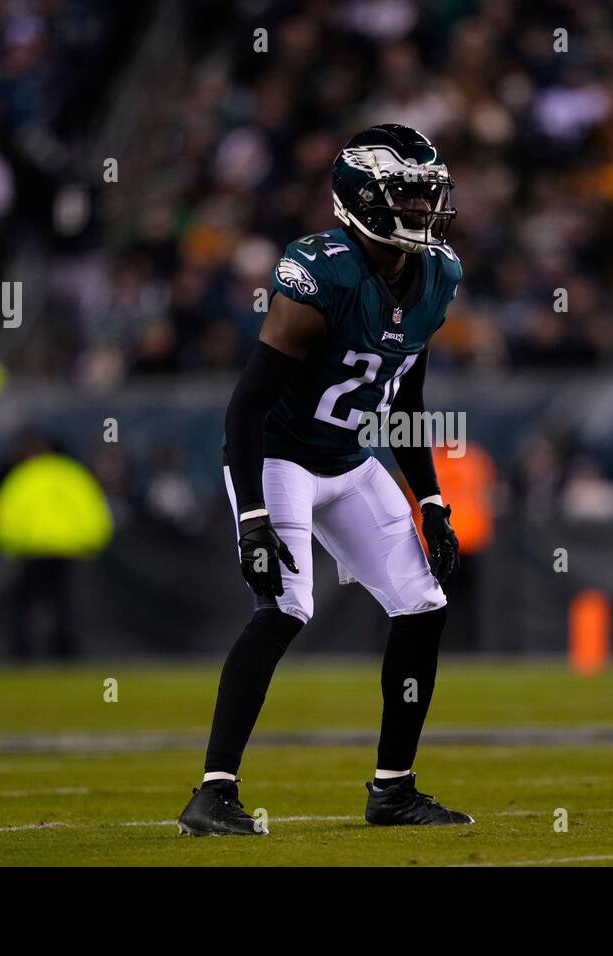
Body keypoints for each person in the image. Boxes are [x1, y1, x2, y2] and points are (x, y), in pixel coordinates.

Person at [178, 125, 471, 836]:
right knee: (285, 607)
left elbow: (406, 395)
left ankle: (393, 789)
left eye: (429, 193)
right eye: (410, 194)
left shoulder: (437, 276)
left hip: (346, 458)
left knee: (422, 602)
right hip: (278, 457)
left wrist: (428, 497)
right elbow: (246, 406)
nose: (425, 208)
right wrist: (251, 516)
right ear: (363, 199)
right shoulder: (320, 275)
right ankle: (213, 792)